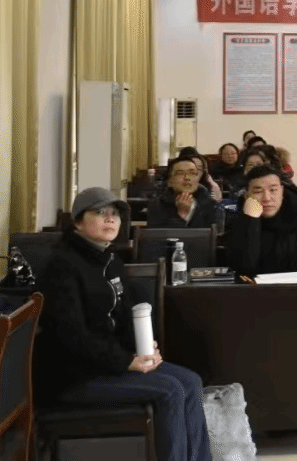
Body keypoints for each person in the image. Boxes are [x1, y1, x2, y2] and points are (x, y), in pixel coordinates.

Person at [35, 188, 213, 461]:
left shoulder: (110, 259)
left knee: (191, 381)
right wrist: (126, 361)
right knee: (170, 391)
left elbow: (126, 317)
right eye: (100, 213)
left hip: (108, 365)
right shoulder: (62, 266)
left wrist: (146, 349)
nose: (110, 219)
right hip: (74, 377)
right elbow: (72, 337)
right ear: (78, 222)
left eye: (115, 214)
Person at [147, 156, 220, 229]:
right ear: (169, 182)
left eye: (192, 173)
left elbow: (214, 234)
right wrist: (182, 216)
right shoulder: (157, 205)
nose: (187, 178)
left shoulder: (211, 205)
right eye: (180, 173)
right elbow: (159, 235)